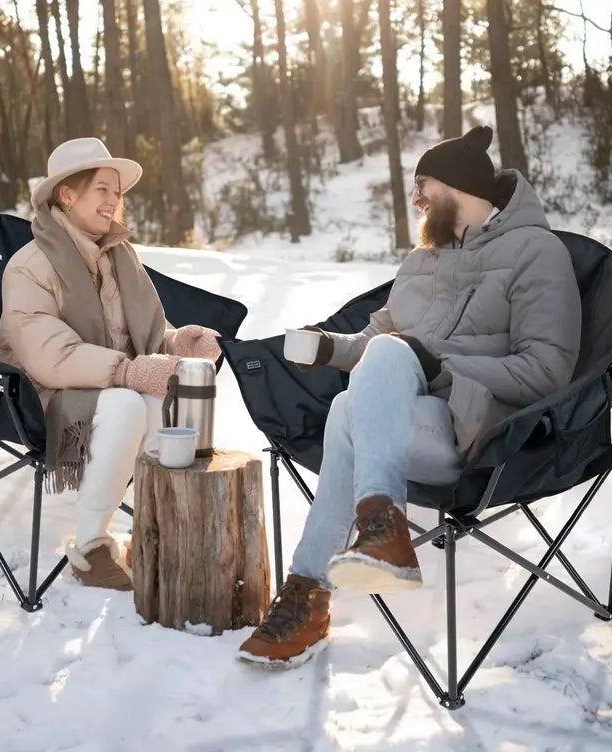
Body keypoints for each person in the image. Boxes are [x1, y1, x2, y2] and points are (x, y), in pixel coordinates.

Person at [238, 125, 582, 668]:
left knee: (373, 384)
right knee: (352, 403)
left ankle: (316, 590)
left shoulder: (536, 253)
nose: (416, 199)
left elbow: (546, 370)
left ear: (458, 184)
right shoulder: (422, 260)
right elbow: (378, 343)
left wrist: (439, 366)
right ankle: (358, 547)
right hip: (405, 424)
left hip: (483, 431)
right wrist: (328, 348)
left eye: (423, 185)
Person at [0, 138, 220, 591]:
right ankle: (92, 548)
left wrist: (176, 341)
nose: (113, 200)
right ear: (66, 195)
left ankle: (155, 532)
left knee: (165, 404)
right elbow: (49, 356)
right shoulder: (29, 266)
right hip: (37, 390)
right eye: (101, 189)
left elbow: (140, 332)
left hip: (107, 382)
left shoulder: (119, 256)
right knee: (127, 405)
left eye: (117, 191)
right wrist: (128, 372)